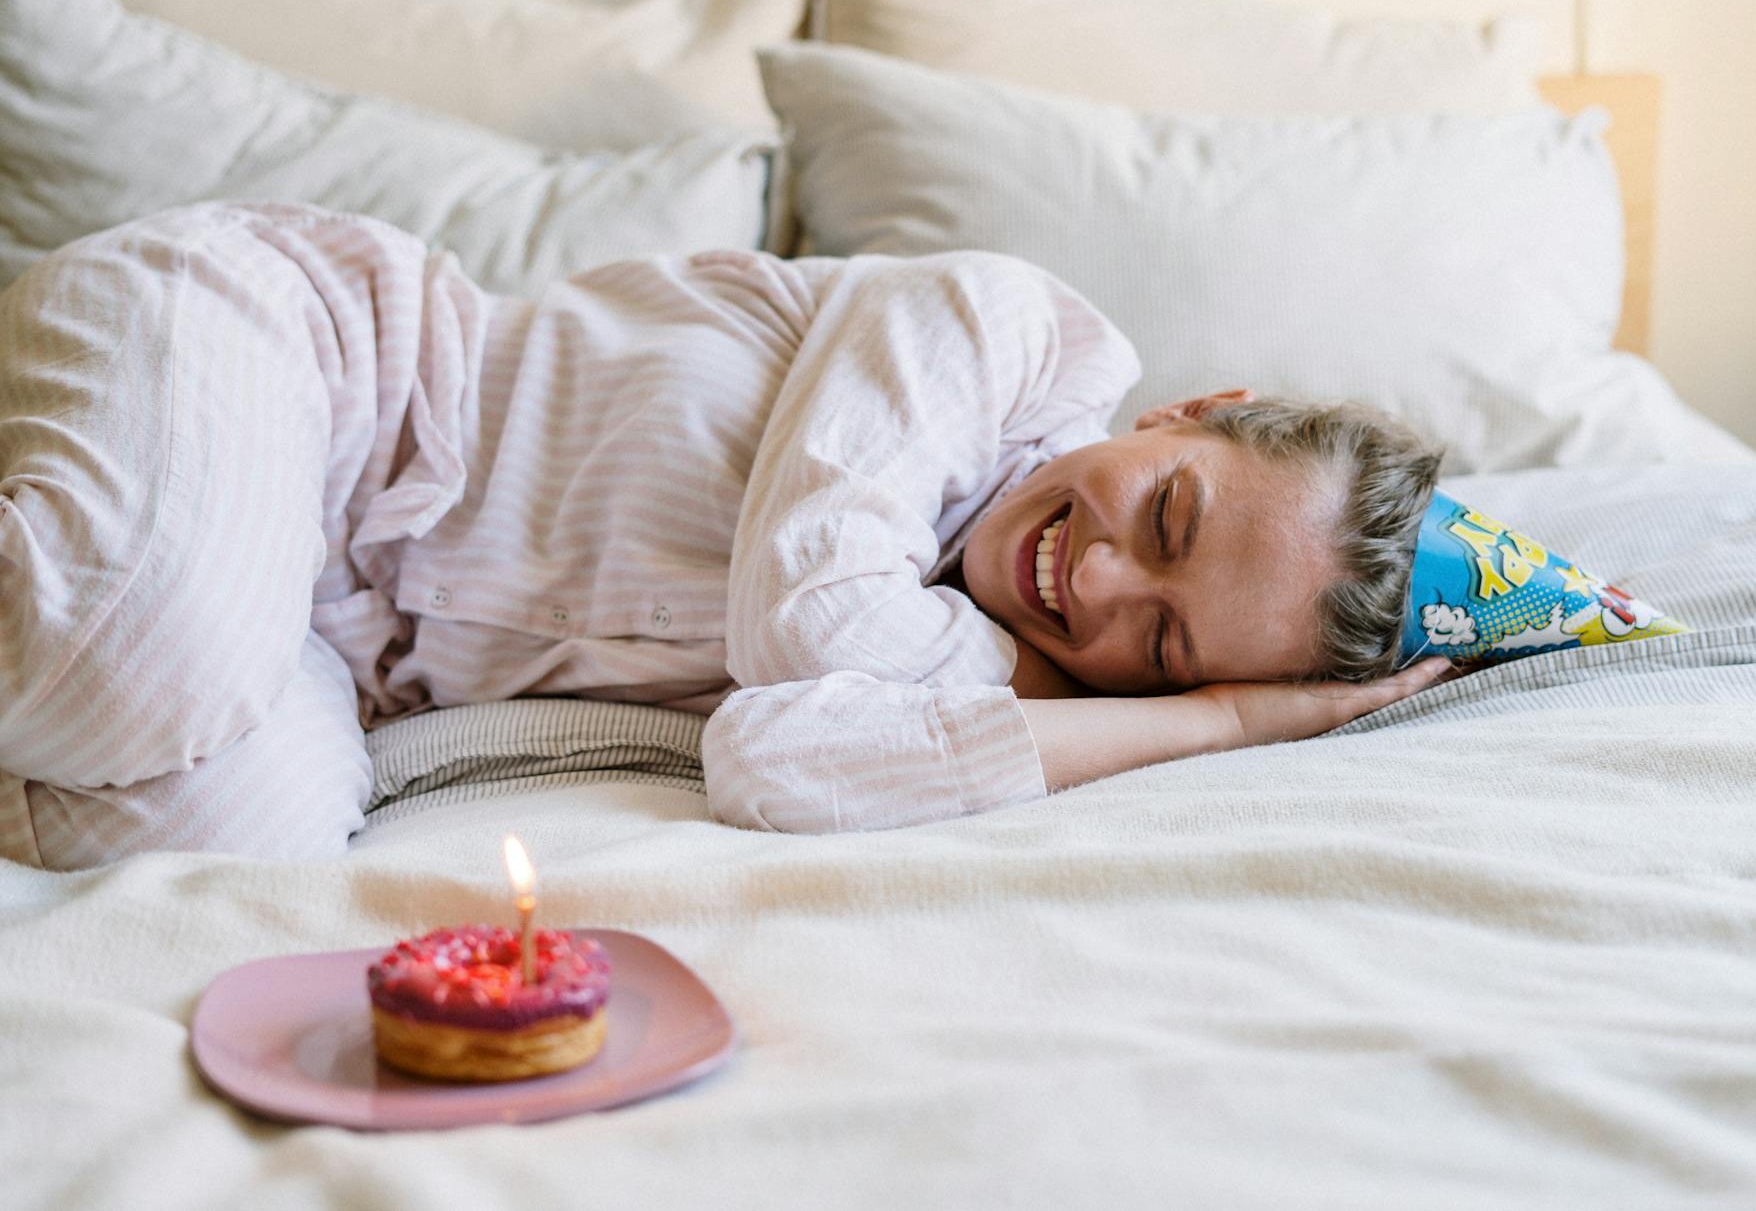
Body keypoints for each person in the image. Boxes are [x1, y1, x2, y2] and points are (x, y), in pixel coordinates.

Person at [0, 202, 1445, 868]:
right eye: (1168, 512)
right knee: (142, 658)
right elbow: (805, 624)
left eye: (1166, 641)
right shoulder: (994, 329)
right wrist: (1134, 688)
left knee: (219, 847)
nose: (1106, 580)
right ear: (1193, 408)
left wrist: (1219, 726)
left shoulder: (1024, 678)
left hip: (334, 646)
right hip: (298, 362)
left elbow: (767, 758)